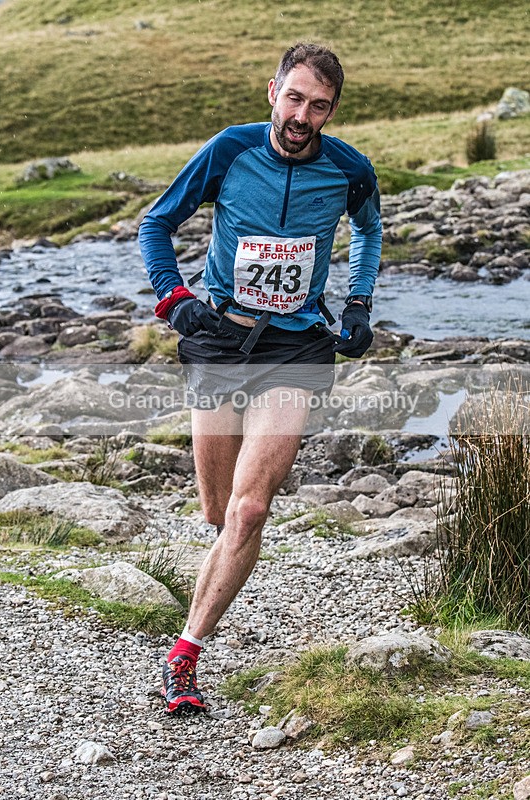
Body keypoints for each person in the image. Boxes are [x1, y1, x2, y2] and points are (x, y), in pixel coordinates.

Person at [139, 42, 382, 713]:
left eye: (320, 105)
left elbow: (368, 230)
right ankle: (216, 579)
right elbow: (157, 222)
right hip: (218, 338)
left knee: (249, 510)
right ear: (271, 91)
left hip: (295, 346)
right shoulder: (230, 150)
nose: (304, 114)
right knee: (219, 514)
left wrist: (358, 302)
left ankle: (184, 656)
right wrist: (174, 300)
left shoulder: (346, 168)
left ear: (332, 109)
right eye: (296, 97)